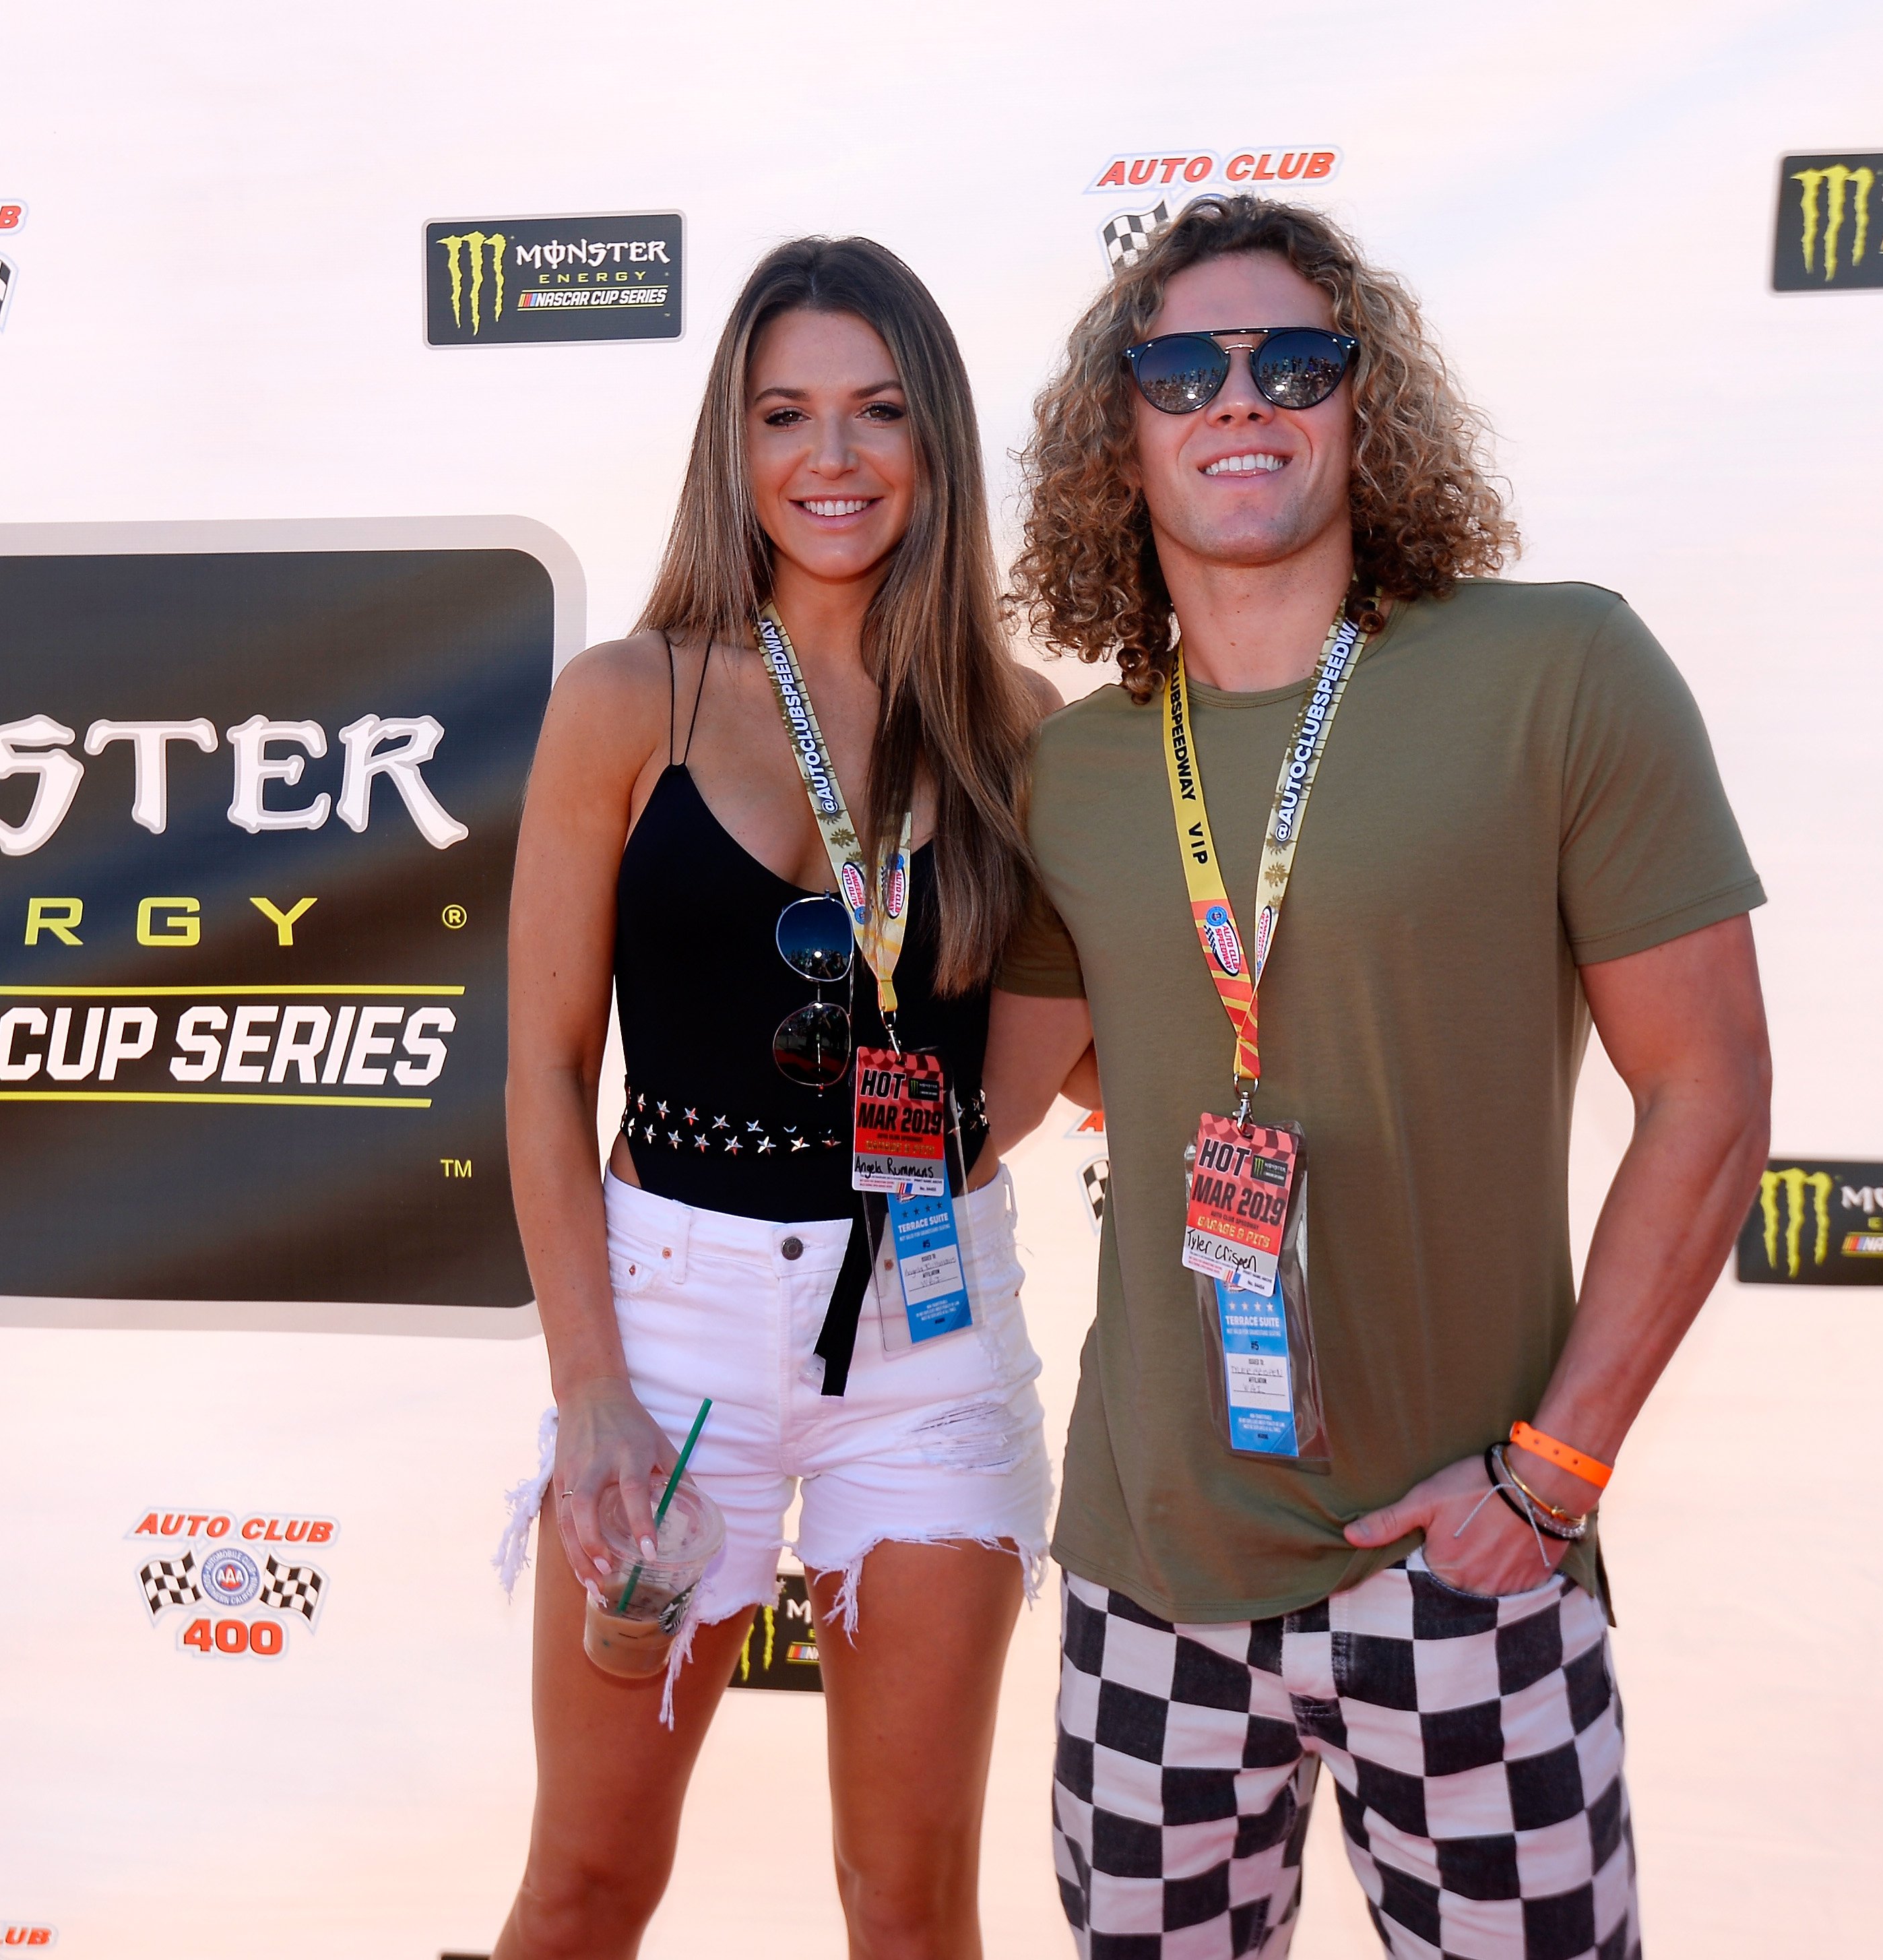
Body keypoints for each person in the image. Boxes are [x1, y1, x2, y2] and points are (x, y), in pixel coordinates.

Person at [983, 193, 1772, 1960]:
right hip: (1150, 1578)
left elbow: (1710, 1090)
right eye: (1181, 365)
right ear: (1120, 434)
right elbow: (1008, 1091)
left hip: (1463, 1558)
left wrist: (1550, 1474)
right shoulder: (1080, 767)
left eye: (1295, 360)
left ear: (1366, 403)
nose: (1237, 397)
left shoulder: (1556, 670)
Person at [490, 237, 1059, 1959]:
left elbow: (1017, 1068)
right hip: (667, 1331)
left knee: (909, 1905)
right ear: (728, 447)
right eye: (785, 413)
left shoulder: (1018, 729)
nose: (833, 456)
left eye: (879, 411)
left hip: (930, 1338)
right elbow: (537, 1069)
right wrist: (591, 1391)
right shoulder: (622, 702)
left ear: (936, 445)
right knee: (587, 1887)